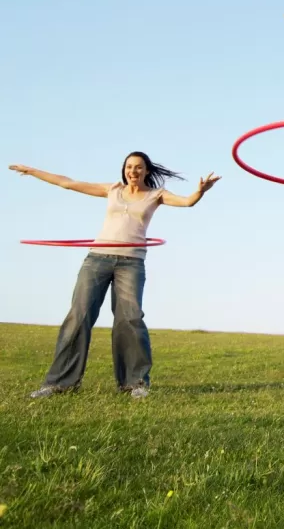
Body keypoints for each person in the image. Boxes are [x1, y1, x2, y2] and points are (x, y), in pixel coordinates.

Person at [9, 153, 220, 399]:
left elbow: (187, 202)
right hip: (97, 259)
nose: (133, 171)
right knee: (79, 316)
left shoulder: (156, 195)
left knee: (129, 319)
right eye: (129, 167)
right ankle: (59, 384)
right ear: (124, 169)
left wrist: (201, 191)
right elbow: (67, 182)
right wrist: (33, 171)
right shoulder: (112, 189)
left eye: (138, 167)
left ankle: (135, 384)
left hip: (131, 263)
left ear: (147, 171)